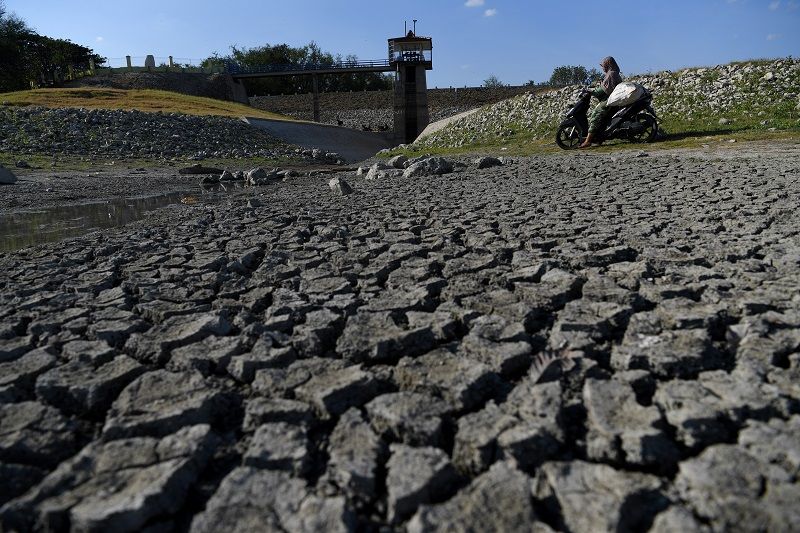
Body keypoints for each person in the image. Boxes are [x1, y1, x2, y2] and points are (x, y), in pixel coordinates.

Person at [580, 56, 622, 148]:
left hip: (610, 100)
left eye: (603, 65)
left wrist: (591, 92)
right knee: (601, 118)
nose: (602, 68)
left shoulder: (611, 74)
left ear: (608, 64)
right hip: (611, 99)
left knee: (595, 115)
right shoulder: (613, 73)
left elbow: (604, 91)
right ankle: (599, 138)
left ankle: (588, 141)